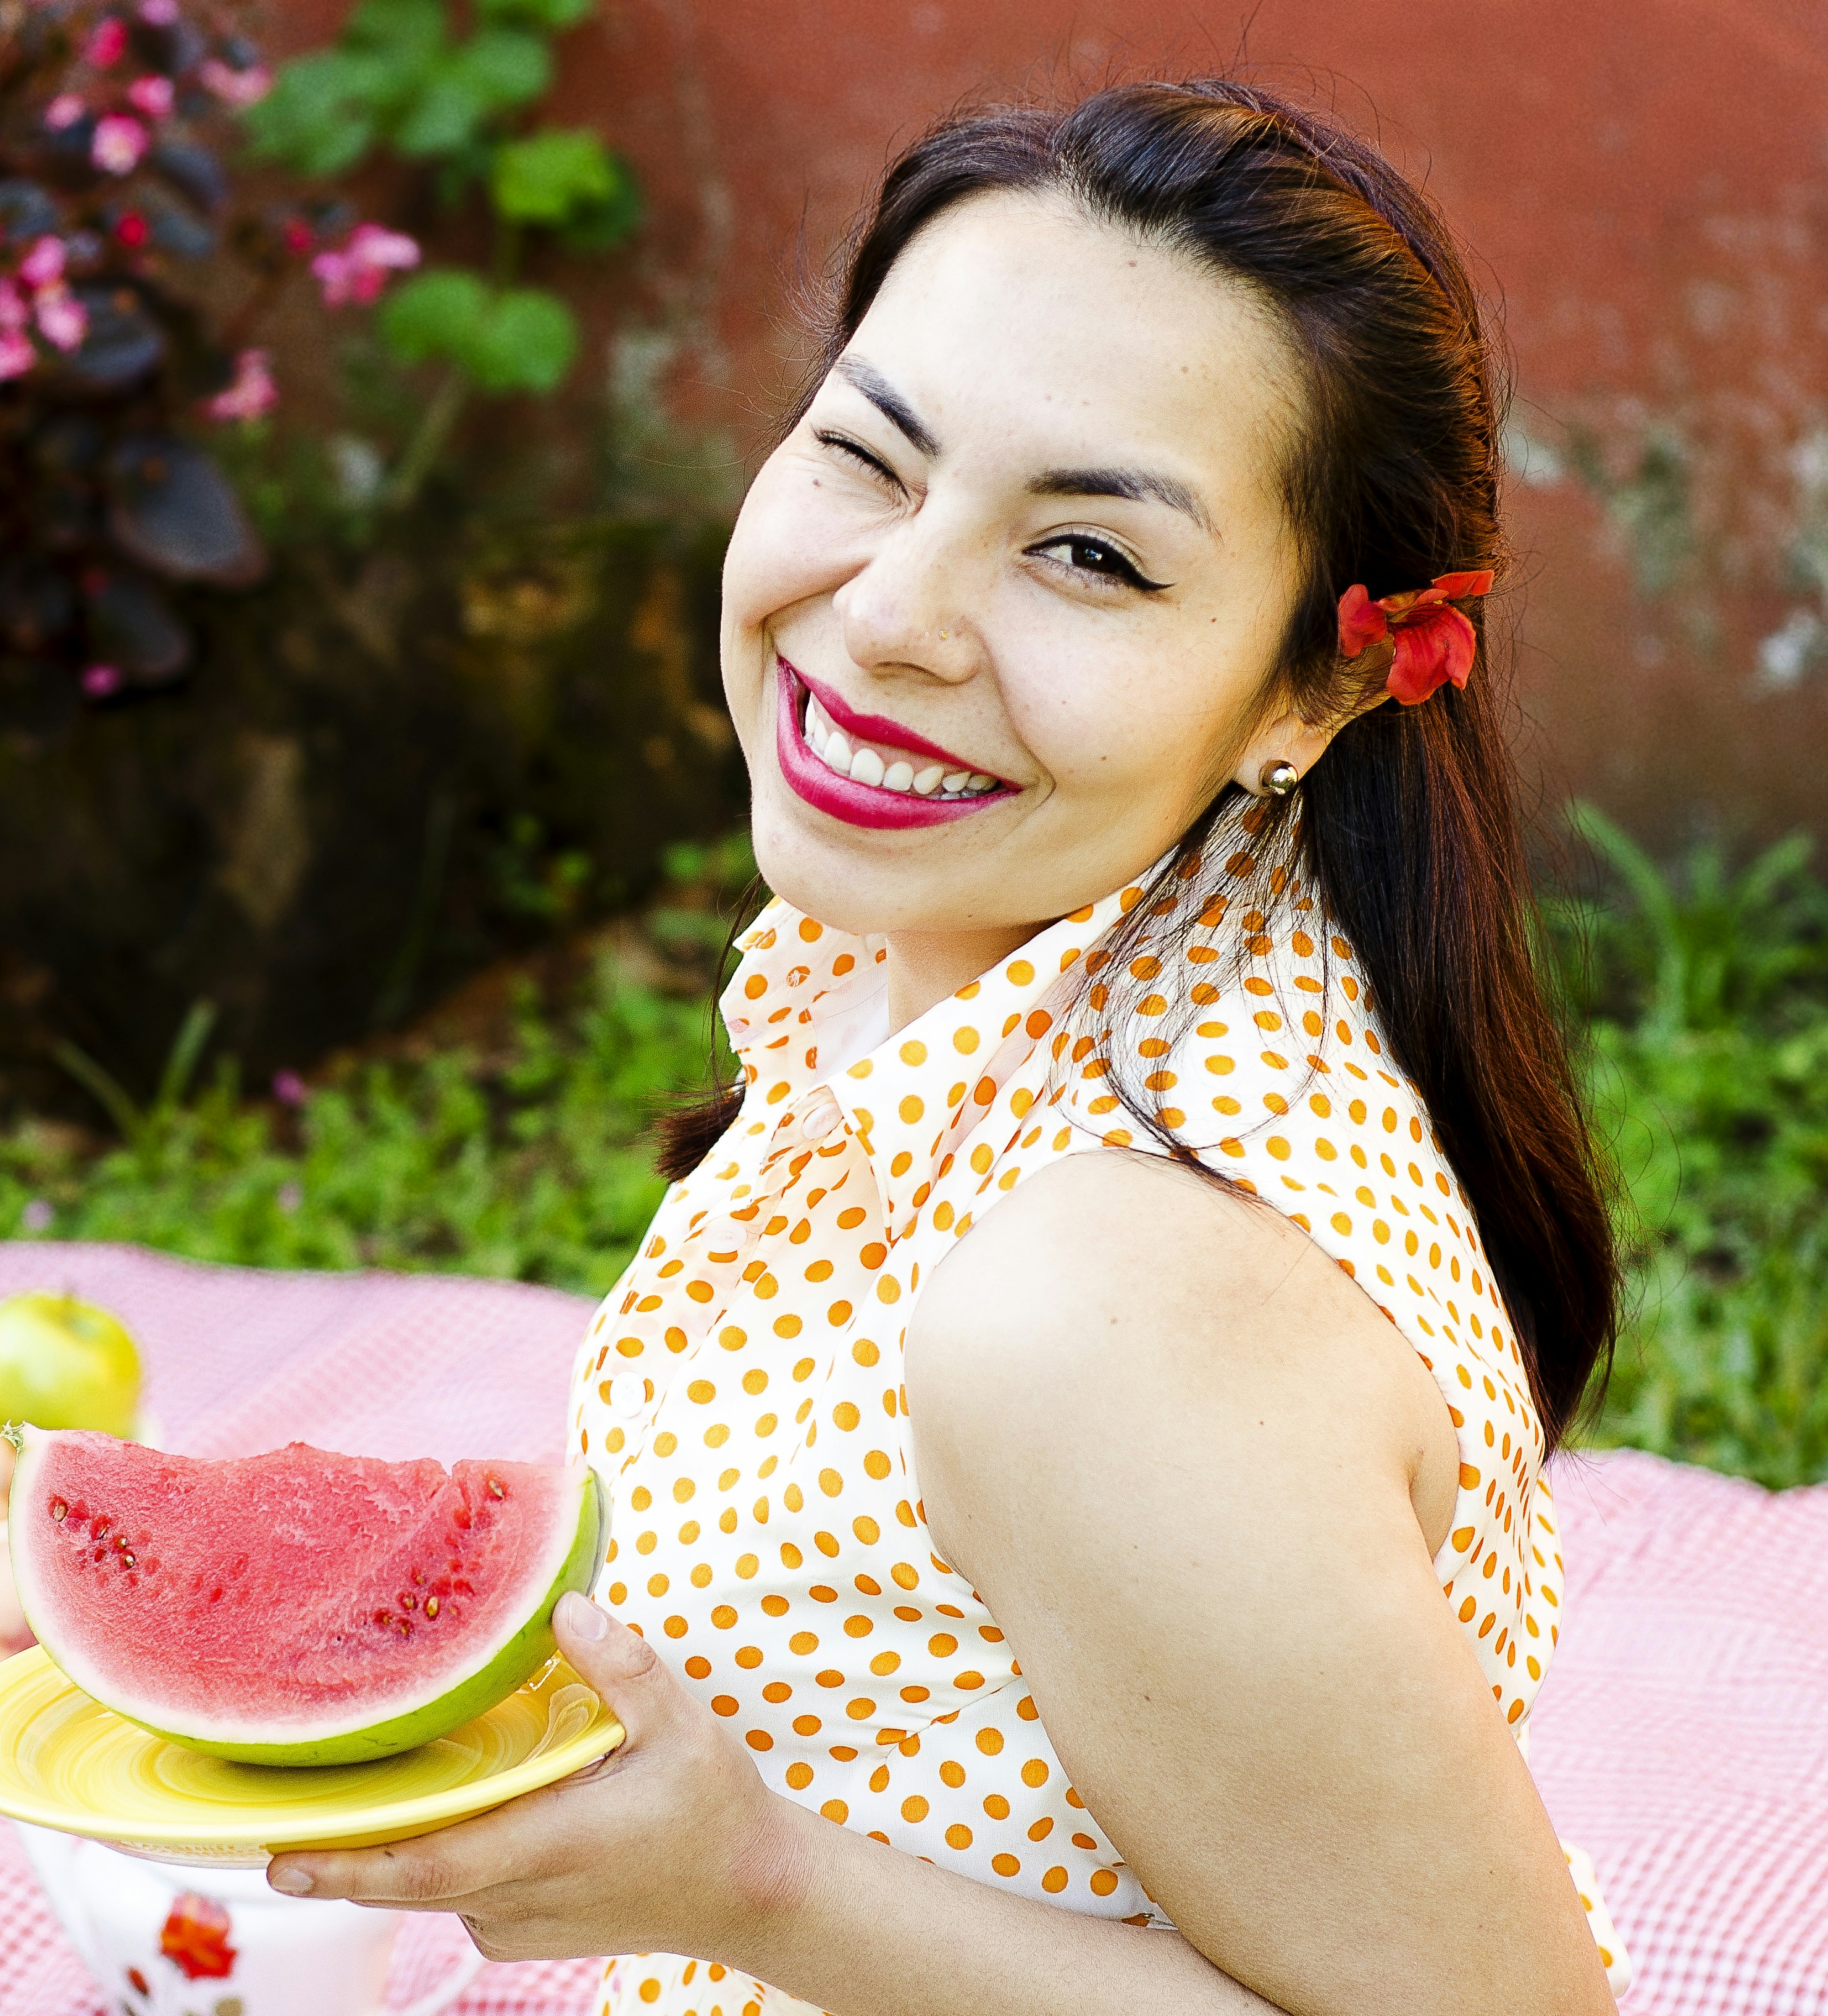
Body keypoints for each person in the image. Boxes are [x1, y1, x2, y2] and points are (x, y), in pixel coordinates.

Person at [266, 78, 1633, 2014]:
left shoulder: (1109, 1301)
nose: (891, 615)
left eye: (1089, 555)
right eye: (871, 458)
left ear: (1317, 686)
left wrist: (752, 1886)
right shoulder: (1003, 950)